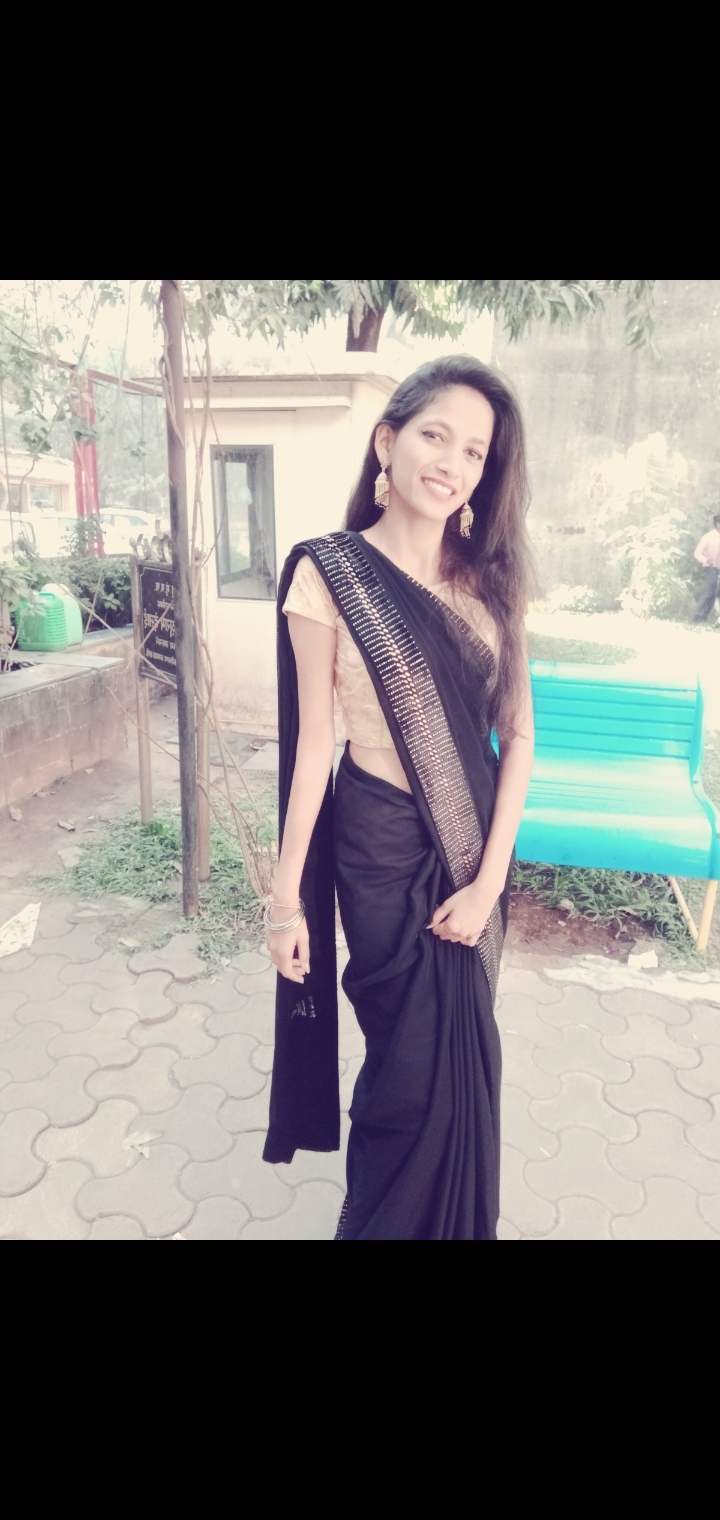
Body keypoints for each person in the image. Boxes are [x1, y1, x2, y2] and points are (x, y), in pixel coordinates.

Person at [262, 356, 535, 1241]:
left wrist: (489, 883)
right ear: (388, 441)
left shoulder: (491, 585)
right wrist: (284, 897)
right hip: (377, 850)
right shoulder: (329, 575)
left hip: (471, 855)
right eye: (435, 435)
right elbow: (314, 749)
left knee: (467, 1066)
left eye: (474, 451)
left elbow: (519, 738)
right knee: (406, 1073)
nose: (451, 462)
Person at [693, 513, 720, 622]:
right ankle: (698, 616)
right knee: (709, 592)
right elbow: (697, 553)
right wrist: (705, 560)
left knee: (716, 594)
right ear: (717, 524)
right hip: (711, 568)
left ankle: (707, 617)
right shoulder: (708, 537)